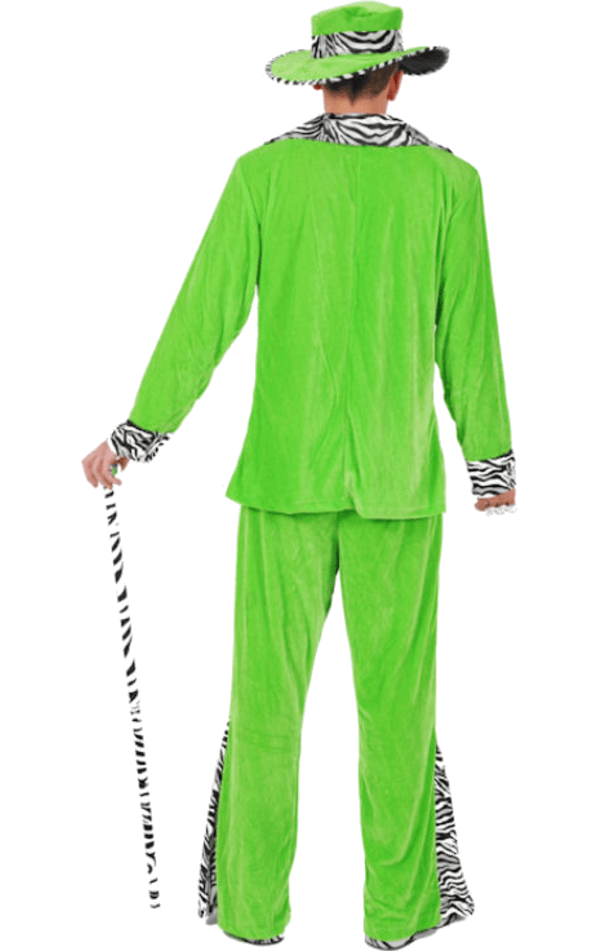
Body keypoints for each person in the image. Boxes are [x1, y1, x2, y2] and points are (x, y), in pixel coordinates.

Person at [81, 3, 516, 946]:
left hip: (283, 479)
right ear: (397, 79)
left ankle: (248, 911)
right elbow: (471, 335)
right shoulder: (452, 182)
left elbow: (202, 316)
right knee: (401, 706)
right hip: (401, 483)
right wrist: (491, 463)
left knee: (265, 704)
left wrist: (135, 436)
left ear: (319, 82)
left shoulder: (264, 174)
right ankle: (401, 915)